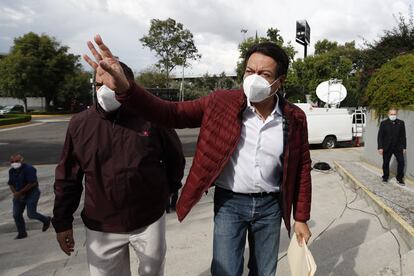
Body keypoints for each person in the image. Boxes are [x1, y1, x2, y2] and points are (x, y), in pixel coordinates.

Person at [84, 35, 312, 276]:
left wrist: (301, 217)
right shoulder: (220, 103)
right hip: (230, 204)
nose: (254, 78)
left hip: (271, 206)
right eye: (249, 70)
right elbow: (170, 113)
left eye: (264, 74)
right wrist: (126, 89)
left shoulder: (294, 117)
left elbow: (302, 167)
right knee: (225, 271)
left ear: (280, 81)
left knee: (265, 271)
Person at [52, 62, 185, 276]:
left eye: (110, 84)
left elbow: (175, 159)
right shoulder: (79, 124)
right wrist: (62, 221)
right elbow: (68, 177)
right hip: (101, 224)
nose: (103, 91)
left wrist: (166, 193)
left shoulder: (153, 117)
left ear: (127, 84)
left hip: (148, 219)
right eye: (97, 85)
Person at [7, 153, 51, 239]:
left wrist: (20, 193)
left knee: (31, 214)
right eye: (12, 161)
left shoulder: (29, 169)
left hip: (31, 194)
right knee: (16, 214)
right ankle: (22, 233)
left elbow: (32, 183)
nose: (14, 163)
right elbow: (11, 184)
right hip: (18, 195)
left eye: (17, 161)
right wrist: (15, 193)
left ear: (22, 160)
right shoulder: (11, 171)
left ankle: (46, 220)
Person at [377, 107, 407, 185]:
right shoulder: (383, 123)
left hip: (398, 147)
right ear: (388, 114)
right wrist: (380, 147)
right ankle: (385, 177)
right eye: (391, 114)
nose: (393, 115)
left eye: (394, 114)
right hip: (387, 147)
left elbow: (403, 136)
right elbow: (380, 136)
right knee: (386, 163)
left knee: (401, 162)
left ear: (396, 114)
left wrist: (404, 147)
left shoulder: (401, 123)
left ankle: (400, 178)